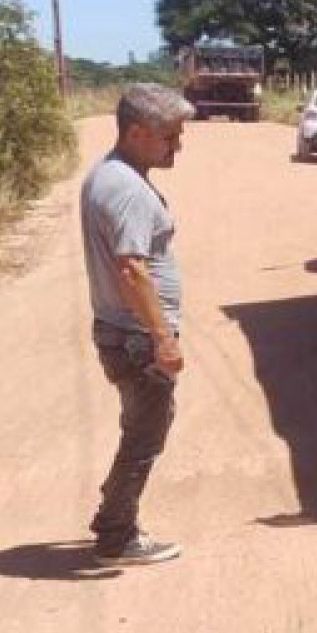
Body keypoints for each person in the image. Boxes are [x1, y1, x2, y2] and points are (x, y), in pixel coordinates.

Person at [80, 84, 195, 566]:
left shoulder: (109, 174)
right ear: (136, 132)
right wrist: (162, 338)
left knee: (145, 423)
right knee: (145, 434)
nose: (179, 145)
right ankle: (116, 535)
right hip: (135, 335)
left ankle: (114, 506)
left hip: (122, 329)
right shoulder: (127, 189)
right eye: (169, 136)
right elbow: (132, 269)